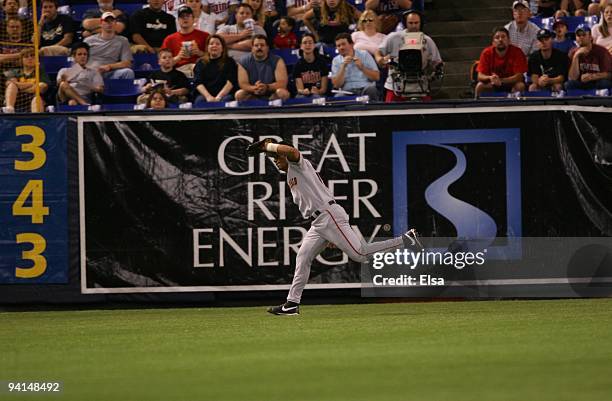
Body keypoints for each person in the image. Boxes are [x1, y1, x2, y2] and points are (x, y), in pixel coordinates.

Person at [243, 139, 421, 315]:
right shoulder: (291, 172)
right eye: (273, 159)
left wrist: (269, 146)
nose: (275, 161)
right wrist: (267, 149)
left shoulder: (298, 164)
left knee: (360, 254)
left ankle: (406, 240)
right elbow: (281, 153)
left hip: (328, 216)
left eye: (277, 158)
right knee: (303, 258)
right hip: (319, 223)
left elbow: (291, 151)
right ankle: (291, 304)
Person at [375, 10, 442, 102]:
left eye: (416, 23)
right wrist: (380, 59)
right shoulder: (393, 37)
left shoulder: (427, 40)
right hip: (395, 86)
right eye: (410, 23)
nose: (414, 26)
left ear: (421, 23)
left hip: (420, 86)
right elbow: (378, 51)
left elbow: (437, 61)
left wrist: (437, 68)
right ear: (405, 23)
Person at [475, 27, 527, 97]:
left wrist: (501, 80)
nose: (500, 40)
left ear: (509, 40)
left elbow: (519, 77)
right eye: (497, 37)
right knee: (480, 86)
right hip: (493, 83)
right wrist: (490, 78)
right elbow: (480, 76)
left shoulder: (517, 52)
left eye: (503, 37)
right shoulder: (486, 53)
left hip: (511, 83)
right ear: (493, 42)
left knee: (520, 86)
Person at [235, 34, 291, 100]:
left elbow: (282, 83)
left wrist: (267, 87)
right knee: (239, 94)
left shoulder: (278, 60)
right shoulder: (243, 61)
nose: (259, 47)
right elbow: (243, 84)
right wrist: (255, 88)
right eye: (256, 45)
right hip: (253, 93)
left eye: (262, 45)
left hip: (272, 93)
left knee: (283, 93)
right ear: (252, 48)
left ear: (267, 48)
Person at [161, 6, 209, 77]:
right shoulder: (169, 39)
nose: (185, 18)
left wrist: (199, 53)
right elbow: (164, 63)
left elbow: (213, 57)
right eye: (182, 16)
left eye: (188, 16)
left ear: (193, 19)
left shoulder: (205, 36)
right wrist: (178, 57)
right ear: (178, 20)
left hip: (200, 70)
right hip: (178, 72)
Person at [84, 12, 134, 79]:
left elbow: (127, 63)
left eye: (112, 21)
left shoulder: (123, 40)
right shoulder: (88, 40)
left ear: (115, 23)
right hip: (91, 72)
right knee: (66, 71)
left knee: (128, 72)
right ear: (101, 23)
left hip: (110, 72)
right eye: (106, 21)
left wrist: (109, 66)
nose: (109, 24)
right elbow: (80, 59)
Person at [331, 32, 379, 99]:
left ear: (351, 44)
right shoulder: (336, 60)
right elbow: (337, 85)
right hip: (347, 91)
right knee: (338, 97)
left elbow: (376, 77)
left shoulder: (364, 54)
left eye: (343, 44)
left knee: (371, 90)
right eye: (338, 46)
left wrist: (362, 67)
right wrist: (343, 66)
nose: (341, 47)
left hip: (365, 88)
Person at [565, 23, 612, 89]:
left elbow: (609, 75)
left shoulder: (601, 51)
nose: (581, 37)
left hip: (597, 82)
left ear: (590, 37)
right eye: (578, 35)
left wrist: (593, 76)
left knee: (604, 83)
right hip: (582, 83)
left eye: (584, 35)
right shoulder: (573, 52)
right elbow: (572, 78)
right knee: (569, 84)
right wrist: (576, 56)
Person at [193, 34, 238, 102]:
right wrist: (208, 97)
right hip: (205, 94)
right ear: (207, 47)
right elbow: (198, 83)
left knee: (226, 100)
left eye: (217, 44)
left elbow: (230, 82)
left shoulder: (230, 62)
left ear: (222, 48)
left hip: (224, 94)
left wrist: (219, 97)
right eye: (211, 44)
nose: (214, 46)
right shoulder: (200, 63)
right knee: (200, 101)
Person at [3, 49, 49, 113]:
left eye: (32, 56)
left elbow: (43, 87)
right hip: (17, 99)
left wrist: (19, 87)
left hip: (33, 97)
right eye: (26, 57)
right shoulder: (15, 71)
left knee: (39, 92)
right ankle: (9, 109)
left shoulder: (40, 71)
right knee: (11, 85)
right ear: (21, 60)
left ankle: (37, 121)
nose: (29, 58)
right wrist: (31, 84)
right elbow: (9, 83)